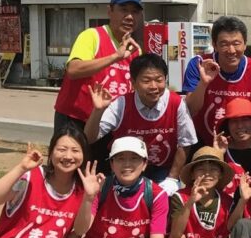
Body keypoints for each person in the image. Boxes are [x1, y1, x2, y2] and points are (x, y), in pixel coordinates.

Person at [83, 53, 197, 192]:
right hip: (128, 167)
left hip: (163, 169)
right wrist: (98, 111)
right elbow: (89, 138)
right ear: (133, 82)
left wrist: (172, 178)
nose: (154, 86)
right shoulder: (121, 104)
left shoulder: (177, 103)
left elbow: (186, 142)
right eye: (146, 80)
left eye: (159, 80)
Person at [53, 0, 143, 134]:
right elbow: (73, 70)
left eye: (135, 12)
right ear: (110, 11)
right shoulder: (92, 36)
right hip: (75, 119)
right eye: (124, 10)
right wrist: (115, 57)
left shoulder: (135, 50)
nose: (130, 17)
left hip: (108, 123)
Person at [183, 16, 251, 146]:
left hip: (240, 145)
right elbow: (191, 109)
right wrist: (203, 84)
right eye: (224, 44)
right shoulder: (199, 64)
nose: (231, 50)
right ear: (214, 45)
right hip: (202, 141)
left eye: (236, 43)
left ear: (245, 44)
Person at [217, 97, 251, 196]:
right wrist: (217, 154)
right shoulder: (221, 150)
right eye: (234, 121)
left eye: (245, 120)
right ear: (227, 126)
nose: (240, 126)